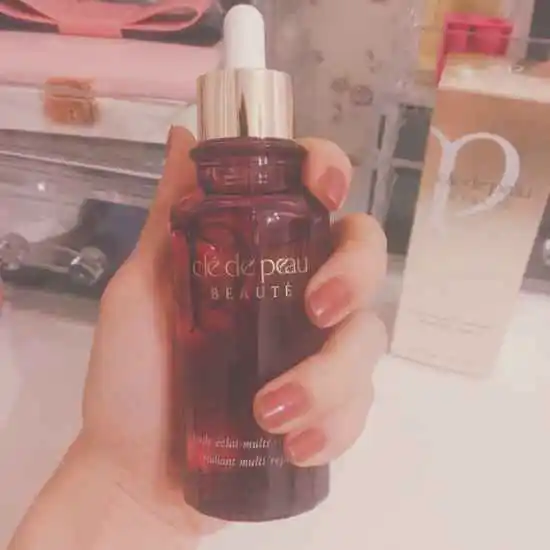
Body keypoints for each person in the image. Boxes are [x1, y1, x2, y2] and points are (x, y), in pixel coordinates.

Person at [8, 127, 388, 550]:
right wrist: (121, 484)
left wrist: (129, 496)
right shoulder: (196, 217)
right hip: (187, 468)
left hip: (255, 465)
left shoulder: (294, 212)